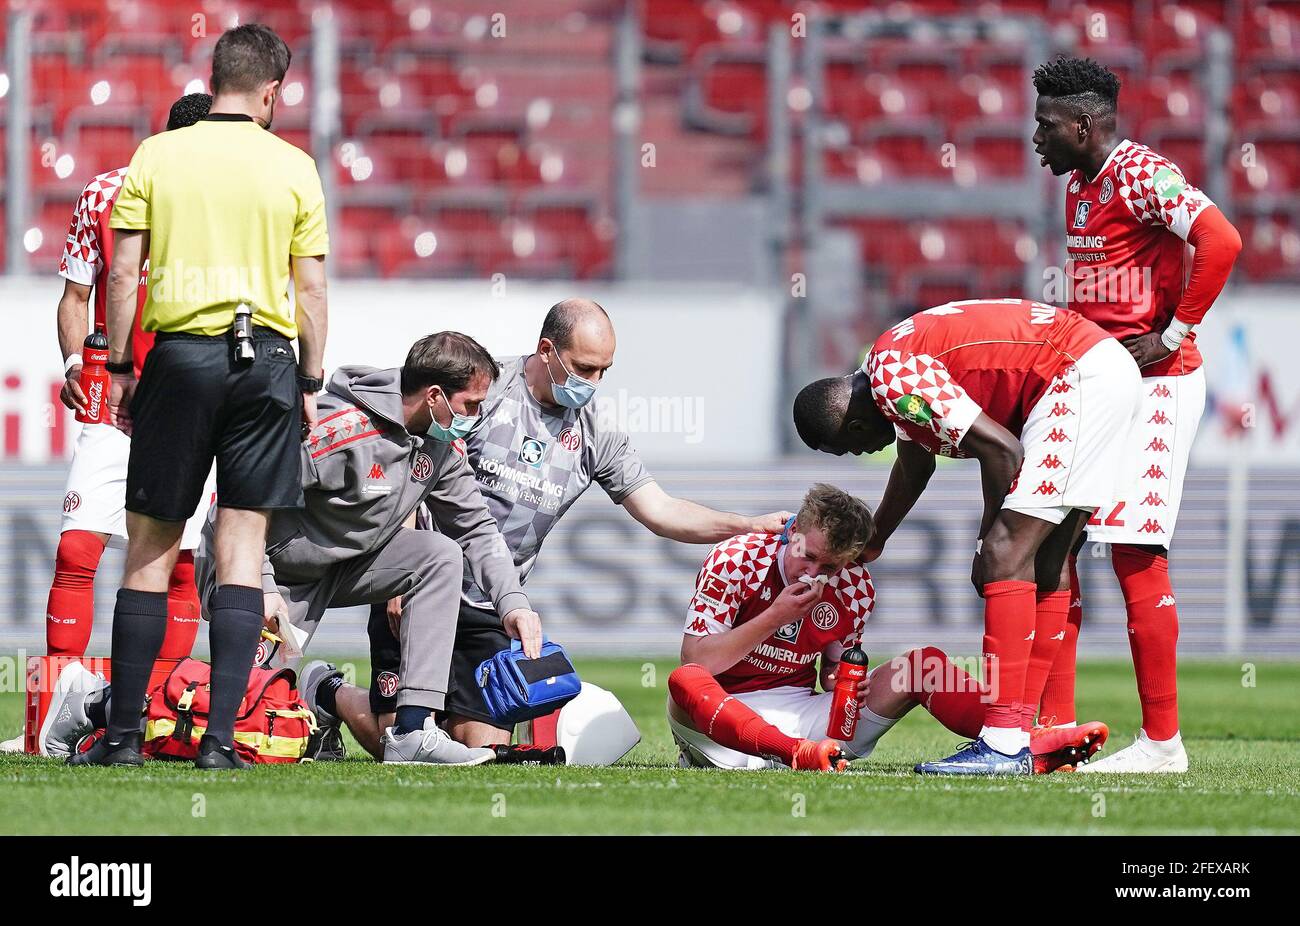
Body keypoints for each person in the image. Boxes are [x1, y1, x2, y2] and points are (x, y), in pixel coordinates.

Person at [300, 298, 791, 758]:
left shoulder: (596, 431)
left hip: (492, 601)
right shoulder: (484, 392)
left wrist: (747, 523)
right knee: (396, 740)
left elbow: (660, 510)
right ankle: (329, 689)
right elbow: (415, 456)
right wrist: (398, 566)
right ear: (546, 351)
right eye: (583, 368)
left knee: (476, 751)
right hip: (420, 583)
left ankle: (347, 695)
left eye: (604, 371)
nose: (594, 383)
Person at [70, 24, 329, 770]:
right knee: (240, 548)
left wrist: (117, 366)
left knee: (150, 546)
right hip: (267, 361)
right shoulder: (294, 166)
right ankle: (221, 742)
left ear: (212, 77)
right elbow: (309, 288)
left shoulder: (156, 154)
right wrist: (309, 379)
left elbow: (122, 275)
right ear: (272, 89)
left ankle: (121, 740)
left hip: (177, 358)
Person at [793, 297, 1138, 775]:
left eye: (851, 448)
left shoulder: (893, 381)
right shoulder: (890, 373)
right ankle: (1028, 734)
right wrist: (877, 539)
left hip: (1077, 379)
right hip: (1098, 369)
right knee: (1048, 563)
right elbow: (916, 465)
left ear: (853, 423)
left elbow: (1001, 452)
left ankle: (1002, 745)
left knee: (1003, 554)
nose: (861, 452)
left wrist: (985, 545)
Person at [1031, 56, 1242, 773]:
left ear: (1084, 126)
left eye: (1047, 124)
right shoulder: (1079, 186)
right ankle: (1052, 733)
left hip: (1158, 385)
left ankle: (1162, 744)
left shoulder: (1143, 173)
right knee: (1055, 545)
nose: (1037, 137)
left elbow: (1223, 239)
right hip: (1099, 383)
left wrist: (1175, 333)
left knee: (1135, 552)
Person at [0, 93, 214, 755]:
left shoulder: (229, 209)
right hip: (113, 402)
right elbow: (75, 297)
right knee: (76, 551)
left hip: (190, 405)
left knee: (181, 566)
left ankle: (148, 724)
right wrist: (72, 360)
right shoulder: (104, 196)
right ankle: (44, 732)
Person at [215, 331, 541, 766]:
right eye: (471, 404)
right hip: (268, 568)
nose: (475, 416)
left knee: (439, 554)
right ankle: (108, 707)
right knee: (233, 717)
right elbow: (244, 499)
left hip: (345, 566)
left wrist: (513, 603)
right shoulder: (337, 428)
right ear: (435, 396)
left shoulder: (441, 446)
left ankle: (412, 731)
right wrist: (262, 583)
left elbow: (476, 528)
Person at [667, 483, 1105, 774]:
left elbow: (832, 676)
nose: (816, 573)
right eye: (809, 556)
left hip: (807, 720)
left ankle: (1022, 743)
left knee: (924, 665)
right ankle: (795, 755)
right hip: (720, 719)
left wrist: (843, 684)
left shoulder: (855, 584)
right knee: (683, 681)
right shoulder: (737, 558)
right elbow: (698, 660)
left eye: (830, 566)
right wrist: (774, 617)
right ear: (792, 530)